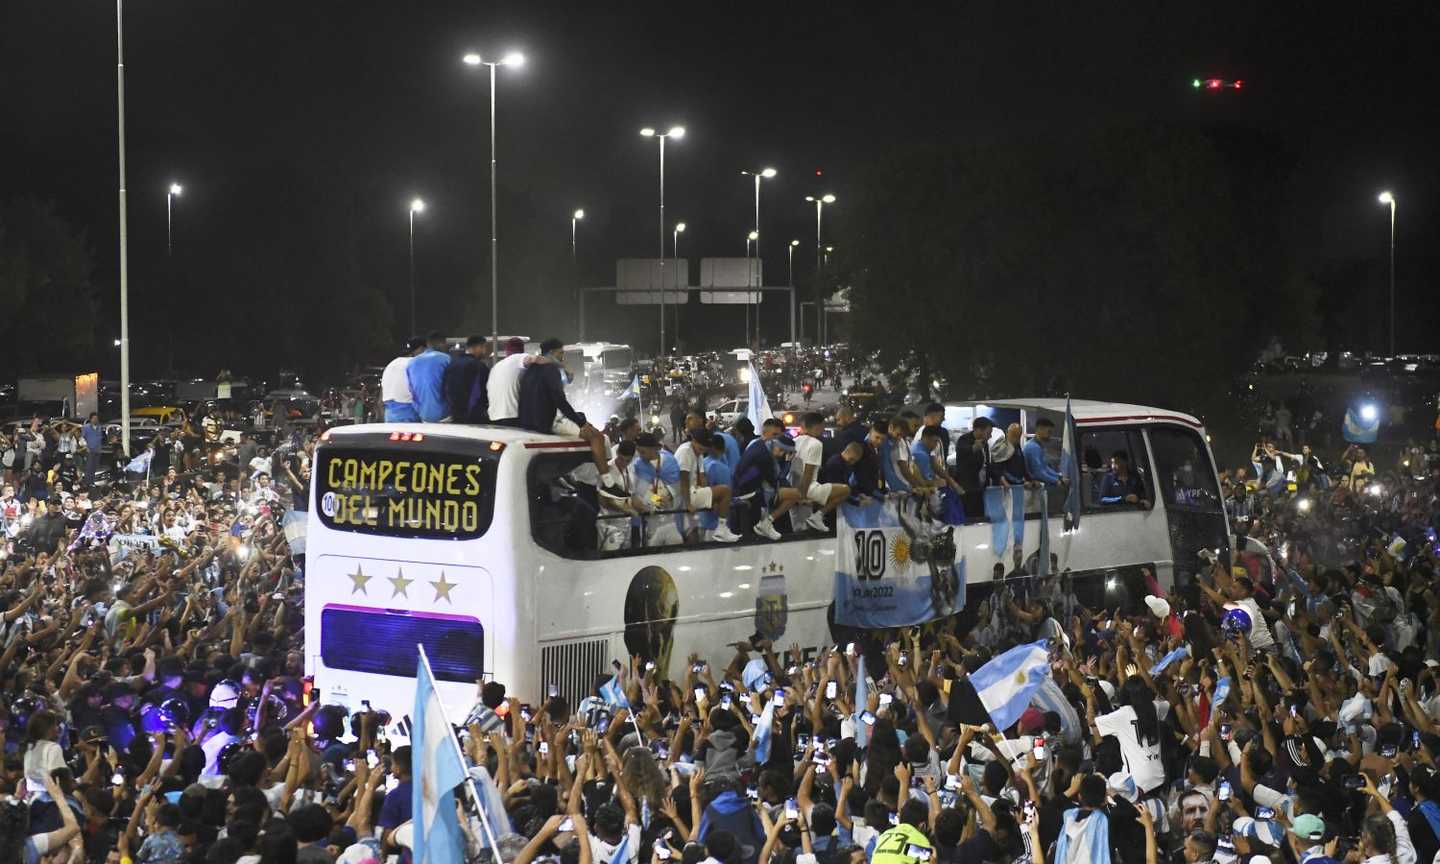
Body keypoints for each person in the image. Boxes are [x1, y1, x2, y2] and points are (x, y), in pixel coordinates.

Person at [517, 338, 609, 474]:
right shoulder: (550, 369)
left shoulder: (529, 371)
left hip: (527, 422)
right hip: (547, 422)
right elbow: (559, 400)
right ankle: (607, 482)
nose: (562, 357)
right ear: (551, 353)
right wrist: (580, 422)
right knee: (598, 437)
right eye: (560, 353)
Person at [674, 430, 741, 543]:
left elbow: (702, 477)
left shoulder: (698, 453)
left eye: (704, 450)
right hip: (683, 495)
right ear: (693, 441)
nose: (702, 451)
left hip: (693, 491)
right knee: (725, 491)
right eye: (700, 448)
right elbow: (683, 479)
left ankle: (720, 529)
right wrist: (688, 504)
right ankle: (721, 528)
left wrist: (712, 499)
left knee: (692, 533)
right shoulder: (685, 451)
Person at [791, 412, 850, 531]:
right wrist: (802, 496)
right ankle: (818, 516)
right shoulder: (816, 444)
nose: (823, 429)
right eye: (823, 426)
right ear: (817, 426)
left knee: (798, 528)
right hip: (808, 488)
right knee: (845, 490)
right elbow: (808, 471)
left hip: (793, 488)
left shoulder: (794, 441)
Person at [443, 334, 492, 424]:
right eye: (484, 347)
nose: (485, 351)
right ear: (478, 347)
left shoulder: (452, 363)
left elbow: (445, 388)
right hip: (474, 416)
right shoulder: (479, 366)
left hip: (454, 414)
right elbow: (483, 391)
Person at [407, 331, 452, 422]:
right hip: (445, 416)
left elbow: (411, 391)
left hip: (423, 416)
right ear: (442, 343)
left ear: (428, 344)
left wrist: (420, 410)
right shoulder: (446, 359)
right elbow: (452, 386)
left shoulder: (411, 363)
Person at [486, 337, 531, 426]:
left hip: (494, 416)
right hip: (512, 415)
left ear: (507, 351)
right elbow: (532, 359)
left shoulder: (496, 366)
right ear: (522, 349)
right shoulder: (520, 357)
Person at [381, 337, 425, 422]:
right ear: (421, 349)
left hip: (389, 414)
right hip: (409, 413)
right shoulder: (415, 363)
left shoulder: (390, 365)